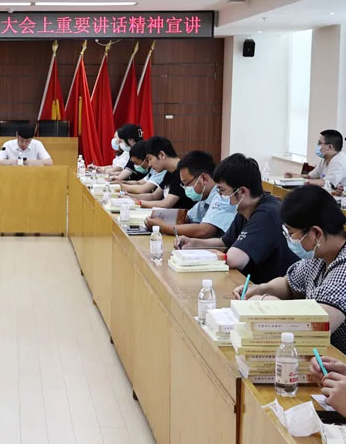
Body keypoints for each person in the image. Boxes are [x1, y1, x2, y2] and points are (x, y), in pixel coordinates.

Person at [233, 186, 346, 354]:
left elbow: (317, 325)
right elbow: (289, 284)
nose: (289, 239)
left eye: (291, 233)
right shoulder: (320, 256)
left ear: (316, 233)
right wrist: (259, 289)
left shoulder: (343, 268)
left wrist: (266, 303)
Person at [177, 153, 299, 284]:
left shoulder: (266, 214)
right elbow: (224, 242)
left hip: (272, 290)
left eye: (222, 191)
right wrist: (194, 243)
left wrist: (199, 257)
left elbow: (233, 259)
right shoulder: (244, 209)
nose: (220, 196)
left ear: (242, 192)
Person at [144, 150, 236, 238]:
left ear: (204, 179)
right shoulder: (204, 197)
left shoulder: (222, 195)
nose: (185, 188)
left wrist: (162, 226)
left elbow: (204, 231)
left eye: (187, 184)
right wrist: (159, 217)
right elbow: (185, 218)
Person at [128, 136, 195, 209]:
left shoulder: (182, 173)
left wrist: (139, 203)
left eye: (150, 159)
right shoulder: (169, 172)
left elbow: (166, 204)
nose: (149, 164)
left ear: (162, 155)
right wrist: (129, 196)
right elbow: (154, 196)